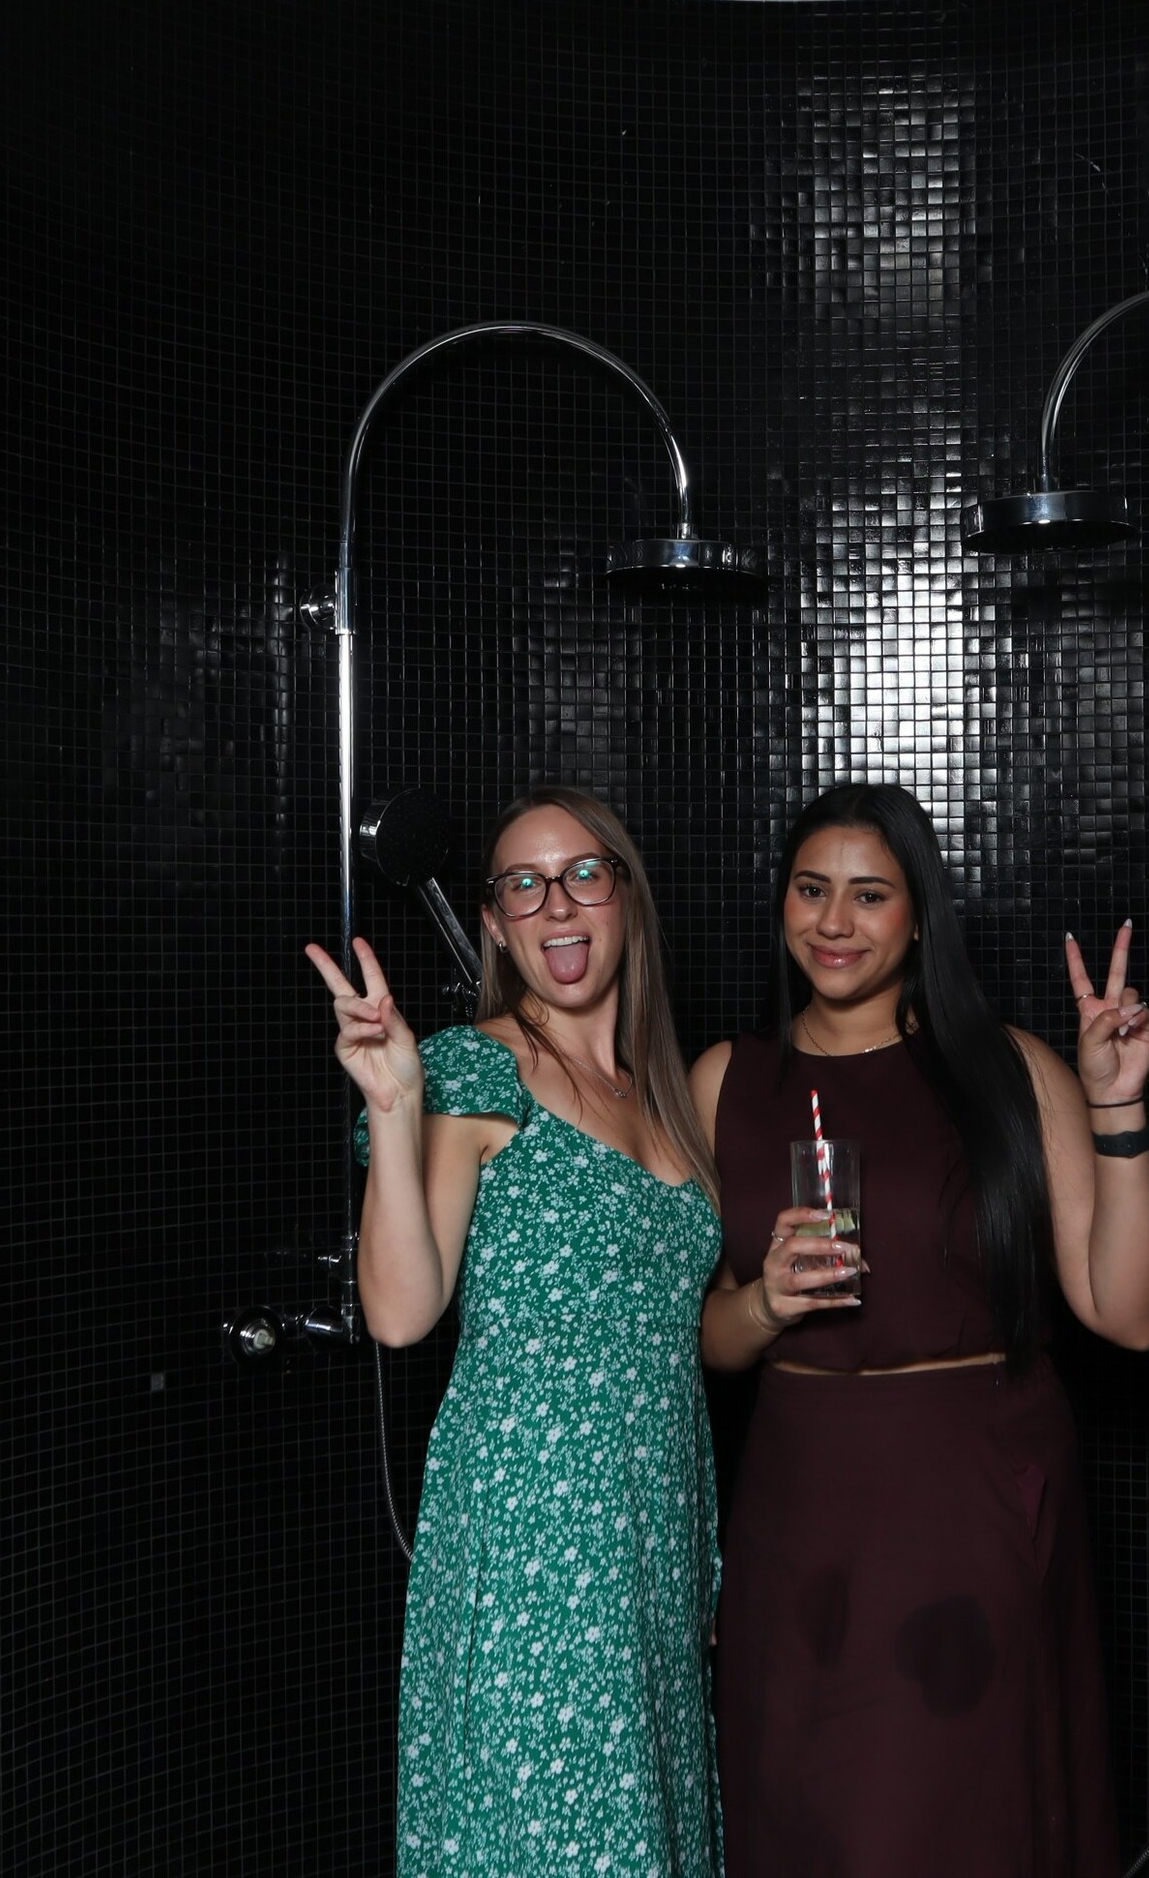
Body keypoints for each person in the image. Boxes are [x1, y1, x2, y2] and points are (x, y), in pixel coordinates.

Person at [693, 782, 1149, 1878]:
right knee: (805, 1816)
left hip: (969, 1496)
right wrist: (766, 1302)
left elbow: (1132, 1316)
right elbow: (705, 1340)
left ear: (920, 917)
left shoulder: (1009, 1068)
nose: (835, 921)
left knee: (952, 1819)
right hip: (800, 1510)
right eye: (811, 890)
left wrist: (1117, 1107)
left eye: (871, 895)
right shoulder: (725, 1081)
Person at [309, 785, 726, 1878]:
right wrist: (395, 1104)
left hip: (654, 1539)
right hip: (535, 1544)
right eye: (525, 887)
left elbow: (671, 1342)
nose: (558, 906)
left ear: (625, 896)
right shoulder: (474, 1067)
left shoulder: (662, 1095)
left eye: (583, 873)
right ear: (495, 924)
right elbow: (401, 1312)